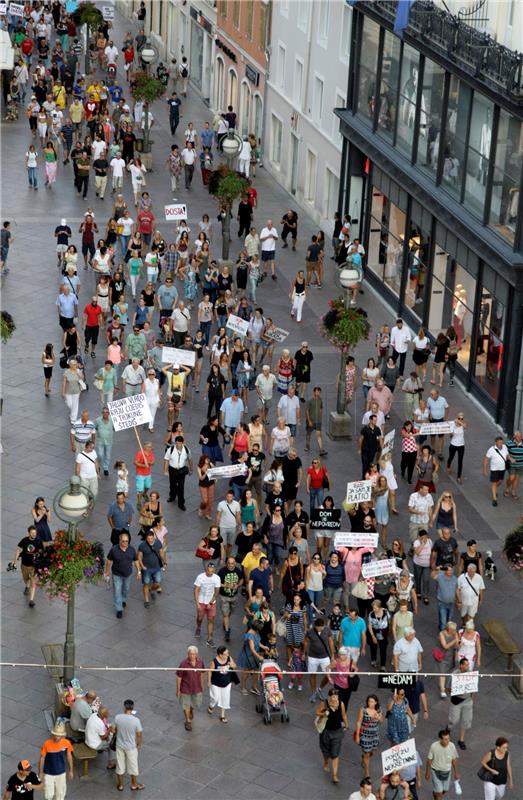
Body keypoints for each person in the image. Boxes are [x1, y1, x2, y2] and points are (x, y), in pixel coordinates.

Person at [315, 689, 348, 784]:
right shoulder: (324, 704)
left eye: (336, 696)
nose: (334, 698)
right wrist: (323, 713)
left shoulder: (341, 704)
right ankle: (325, 761)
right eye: (333, 696)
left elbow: (344, 715)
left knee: (335, 754)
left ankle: (334, 775)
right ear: (329, 697)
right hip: (325, 731)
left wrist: (346, 724)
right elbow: (317, 712)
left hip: (337, 731)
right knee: (325, 750)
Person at [104, 533, 140, 619]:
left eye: (127, 541)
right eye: (123, 541)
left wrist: (139, 571)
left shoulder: (131, 550)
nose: (125, 543)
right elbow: (109, 561)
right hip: (117, 574)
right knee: (117, 591)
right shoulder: (114, 550)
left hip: (128, 574)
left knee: (126, 589)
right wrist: (107, 571)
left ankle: (123, 599)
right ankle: (119, 609)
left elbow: (136, 561)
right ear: (120, 541)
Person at [114, 699, 144, 791]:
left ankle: (120, 785)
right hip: (131, 747)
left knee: (120, 765)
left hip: (120, 745)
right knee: (133, 766)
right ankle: (134, 784)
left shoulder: (118, 717)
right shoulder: (136, 721)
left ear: (124, 707)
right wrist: (138, 745)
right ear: (132, 708)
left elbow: (113, 729)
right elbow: (139, 734)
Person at [11, 526, 44, 609]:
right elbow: (18, 550)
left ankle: (31, 600)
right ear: (29, 533)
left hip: (34, 566)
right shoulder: (24, 540)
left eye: (35, 533)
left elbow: (42, 552)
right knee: (26, 579)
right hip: (24, 565)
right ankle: (27, 586)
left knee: (33, 581)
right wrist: (15, 560)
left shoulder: (39, 541)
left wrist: (40, 558)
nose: (34, 534)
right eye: (32, 533)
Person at [38, 722, 73, 800]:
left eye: (59, 735)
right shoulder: (46, 744)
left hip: (61, 772)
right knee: (49, 795)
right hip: (48, 773)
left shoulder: (66, 743)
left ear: (63, 736)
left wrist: (71, 771)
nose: (57, 737)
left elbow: (69, 756)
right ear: (53, 734)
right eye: (56, 735)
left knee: (60, 795)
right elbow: (42, 758)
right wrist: (40, 773)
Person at [176, 646, 205, 732]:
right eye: (190, 654)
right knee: (186, 705)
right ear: (188, 654)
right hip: (185, 688)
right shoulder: (183, 664)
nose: (192, 656)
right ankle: (188, 721)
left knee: (196, 703)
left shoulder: (200, 662)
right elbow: (178, 677)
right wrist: (178, 690)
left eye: (194, 654)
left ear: (197, 654)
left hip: (196, 687)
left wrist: (202, 684)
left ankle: (191, 710)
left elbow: (202, 673)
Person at [425, 728, 460, 800]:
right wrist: (427, 772)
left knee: (445, 790)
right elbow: (429, 760)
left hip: (447, 771)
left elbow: (454, 760)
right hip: (435, 771)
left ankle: (436, 793)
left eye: (448, 739)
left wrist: (456, 772)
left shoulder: (452, 746)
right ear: (440, 739)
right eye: (445, 739)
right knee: (440, 792)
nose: (448, 741)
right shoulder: (434, 746)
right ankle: (438, 795)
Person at [304, 617, 335, 698]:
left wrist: (332, 655)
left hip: (325, 657)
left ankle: (320, 689)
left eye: (321, 627)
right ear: (315, 626)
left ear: (323, 626)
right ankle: (313, 692)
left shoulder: (327, 630)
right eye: (318, 627)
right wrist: (304, 653)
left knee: (328, 675)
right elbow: (306, 641)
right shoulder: (310, 631)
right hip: (312, 657)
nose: (320, 629)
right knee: (312, 675)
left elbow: (331, 642)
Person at [194, 561, 221, 647]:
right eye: (209, 571)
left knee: (211, 619)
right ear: (206, 570)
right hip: (201, 600)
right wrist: (197, 603)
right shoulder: (200, 577)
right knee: (200, 618)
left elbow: (216, 592)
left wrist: (211, 602)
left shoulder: (217, 578)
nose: (210, 573)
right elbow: (196, 590)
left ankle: (209, 638)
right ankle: (198, 627)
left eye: (212, 571)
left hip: (211, 601)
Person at [207, 645, 237, 724]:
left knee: (225, 698)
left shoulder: (229, 658)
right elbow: (210, 671)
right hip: (215, 683)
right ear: (220, 655)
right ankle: (211, 705)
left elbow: (234, 666)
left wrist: (232, 665)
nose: (227, 655)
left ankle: (222, 715)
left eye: (227, 653)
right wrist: (209, 681)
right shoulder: (214, 661)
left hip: (226, 683)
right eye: (225, 654)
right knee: (215, 698)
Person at [137, 530, 166, 609]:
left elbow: (161, 552)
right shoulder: (142, 546)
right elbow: (139, 557)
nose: (150, 540)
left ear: (154, 537)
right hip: (146, 569)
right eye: (148, 538)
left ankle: (151, 590)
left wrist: (164, 562)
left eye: (151, 538)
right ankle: (146, 600)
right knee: (146, 583)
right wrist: (142, 566)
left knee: (157, 582)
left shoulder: (158, 543)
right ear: (146, 538)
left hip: (156, 567)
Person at [218, 556, 243, 642]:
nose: (230, 565)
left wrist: (238, 585)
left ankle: (226, 622)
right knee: (225, 614)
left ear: (235, 563)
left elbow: (242, 579)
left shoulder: (238, 570)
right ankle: (227, 632)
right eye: (229, 563)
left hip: (234, 596)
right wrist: (226, 586)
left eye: (232, 563)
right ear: (226, 563)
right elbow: (218, 583)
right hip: (224, 596)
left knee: (229, 613)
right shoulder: (222, 571)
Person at [237, 620, 266, 695]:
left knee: (256, 672)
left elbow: (258, 643)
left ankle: (254, 687)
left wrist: (264, 647)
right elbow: (252, 649)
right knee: (246, 673)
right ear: (257, 628)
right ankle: (243, 687)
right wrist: (259, 657)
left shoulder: (256, 632)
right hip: (248, 656)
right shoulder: (250, 636)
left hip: (254, 655)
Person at [164, 435, 192, 509]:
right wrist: (165, 470)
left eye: (179, 443)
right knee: (172, 485)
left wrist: (191, 469)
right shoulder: (171, 449)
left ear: (183, 443)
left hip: (181, 470)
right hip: (172, 469)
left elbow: (190, 460)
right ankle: (172, 497)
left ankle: (181, 503)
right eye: (176, 443)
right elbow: (166, 460)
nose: (177, 445)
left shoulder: (186, 450)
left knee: (181, 487)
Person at [483, 436, 512, 506]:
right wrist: (484, 469)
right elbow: (486, 459)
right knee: (494, 483)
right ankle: (494, 499)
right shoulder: (491, 449)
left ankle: (494, 489)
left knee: (500, 482)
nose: (500, 444)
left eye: (501, 442)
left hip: (502, 469)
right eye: (499, 443)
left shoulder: (505, 447)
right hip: (494, 469)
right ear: (496, 443)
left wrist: (510, 458)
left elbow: (507, 454)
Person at [433, 565, 458, 631]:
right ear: (445, 571)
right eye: (449, 570)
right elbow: (432, 576)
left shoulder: (455, 578)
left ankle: (443, 627)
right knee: (444, 621)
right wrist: (436, 570)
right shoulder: (440, 577)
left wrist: (459, 601)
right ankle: (443, 634)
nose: (451, 572)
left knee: (449, 620)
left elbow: (457, 590)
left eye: (451, 570)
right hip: (442, 603)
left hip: (451, 603)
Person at [505, 430, 523, 500]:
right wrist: (510, 458)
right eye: (518, 436)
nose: (519, 438)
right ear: (514, 437)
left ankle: (513, 492)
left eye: (520, 436)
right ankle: (507, 488)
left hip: (521, 465)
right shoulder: (509, 443)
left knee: (516, 479)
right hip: (512, 465)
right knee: (511, 478)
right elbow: (505, 453)